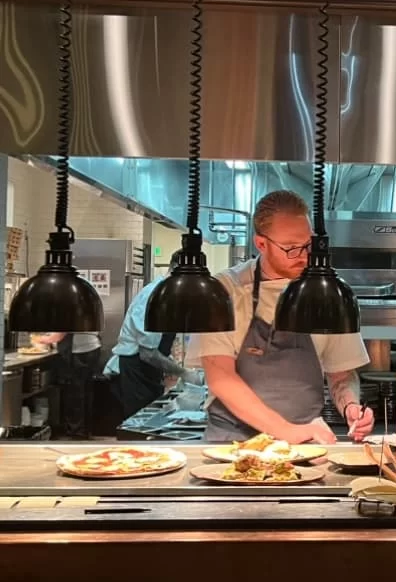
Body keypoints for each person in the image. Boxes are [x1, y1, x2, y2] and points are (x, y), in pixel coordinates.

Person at [186, 190, 375, 444]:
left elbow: (341, 374)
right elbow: (221, 378)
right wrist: (286, 431)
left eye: (308, 245)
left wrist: (351, 406)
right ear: (261, 244)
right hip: (232, 444)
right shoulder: (227, 289)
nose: (305, 256)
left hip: (306, 443)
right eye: (291, 249)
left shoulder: (327, 293)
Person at [101, 250, 202, 429]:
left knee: (151, 423)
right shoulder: (153, 296)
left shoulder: (170, 296)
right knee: (138, 428)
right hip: (134, 370)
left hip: (148, 371)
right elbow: (147, 353)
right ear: (176, 270)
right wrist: (183, 373)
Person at [34, 331, 101, 439]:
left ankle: (77, 433)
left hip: (79, 351)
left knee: (75, 393)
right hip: (92, 347)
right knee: (86, 391)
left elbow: (59, 335)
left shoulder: (68, 313)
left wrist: (40, 339)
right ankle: (85, 431)